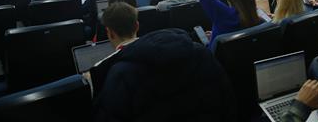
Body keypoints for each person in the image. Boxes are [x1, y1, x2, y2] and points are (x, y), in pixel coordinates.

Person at [93, 16, 236, 121]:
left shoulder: (117, 75)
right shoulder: (200, 52)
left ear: (109, 33)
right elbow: (227, 99)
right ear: (137, 26)